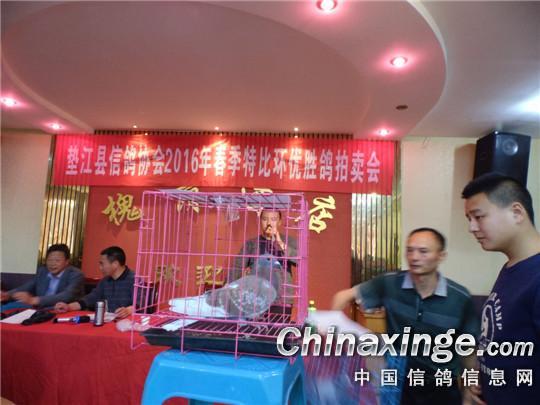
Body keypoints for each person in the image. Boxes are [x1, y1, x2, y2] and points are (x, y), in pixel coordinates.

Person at [332, 228, 479, 405]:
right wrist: (335, 332)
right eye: (410, 250)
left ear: (441, 256)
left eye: (423, 251)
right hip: (398, 381)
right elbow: (343, 297)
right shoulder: (389, 283)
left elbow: (468, 351)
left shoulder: (460, 298)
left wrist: (468, 395)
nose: (414, 257)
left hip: (441, 384)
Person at [462, 173, 540, 405]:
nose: (471, 227)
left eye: (478, 216)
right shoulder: (512, 267)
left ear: (517, 213)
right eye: (469, 219)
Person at [55, 246, 135, 319]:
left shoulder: (134, 280)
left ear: (115, 264)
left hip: (128, 323)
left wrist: (128, 310)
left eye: (102, 264)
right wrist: (68, 307)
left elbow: (140, 305)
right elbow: (91, 299)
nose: (100, 267)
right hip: (109, 321)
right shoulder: (105, 281)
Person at [1, 244, 84, 308]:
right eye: (50, 260)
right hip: (39, 308)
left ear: (67, 262)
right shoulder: (42, 271)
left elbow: (66, 296)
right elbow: (27, 287)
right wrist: (7, 294)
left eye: (57, 260)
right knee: (7, 309)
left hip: (62, 309)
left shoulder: (76, 274)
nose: (52, 264)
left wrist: (34, 300)